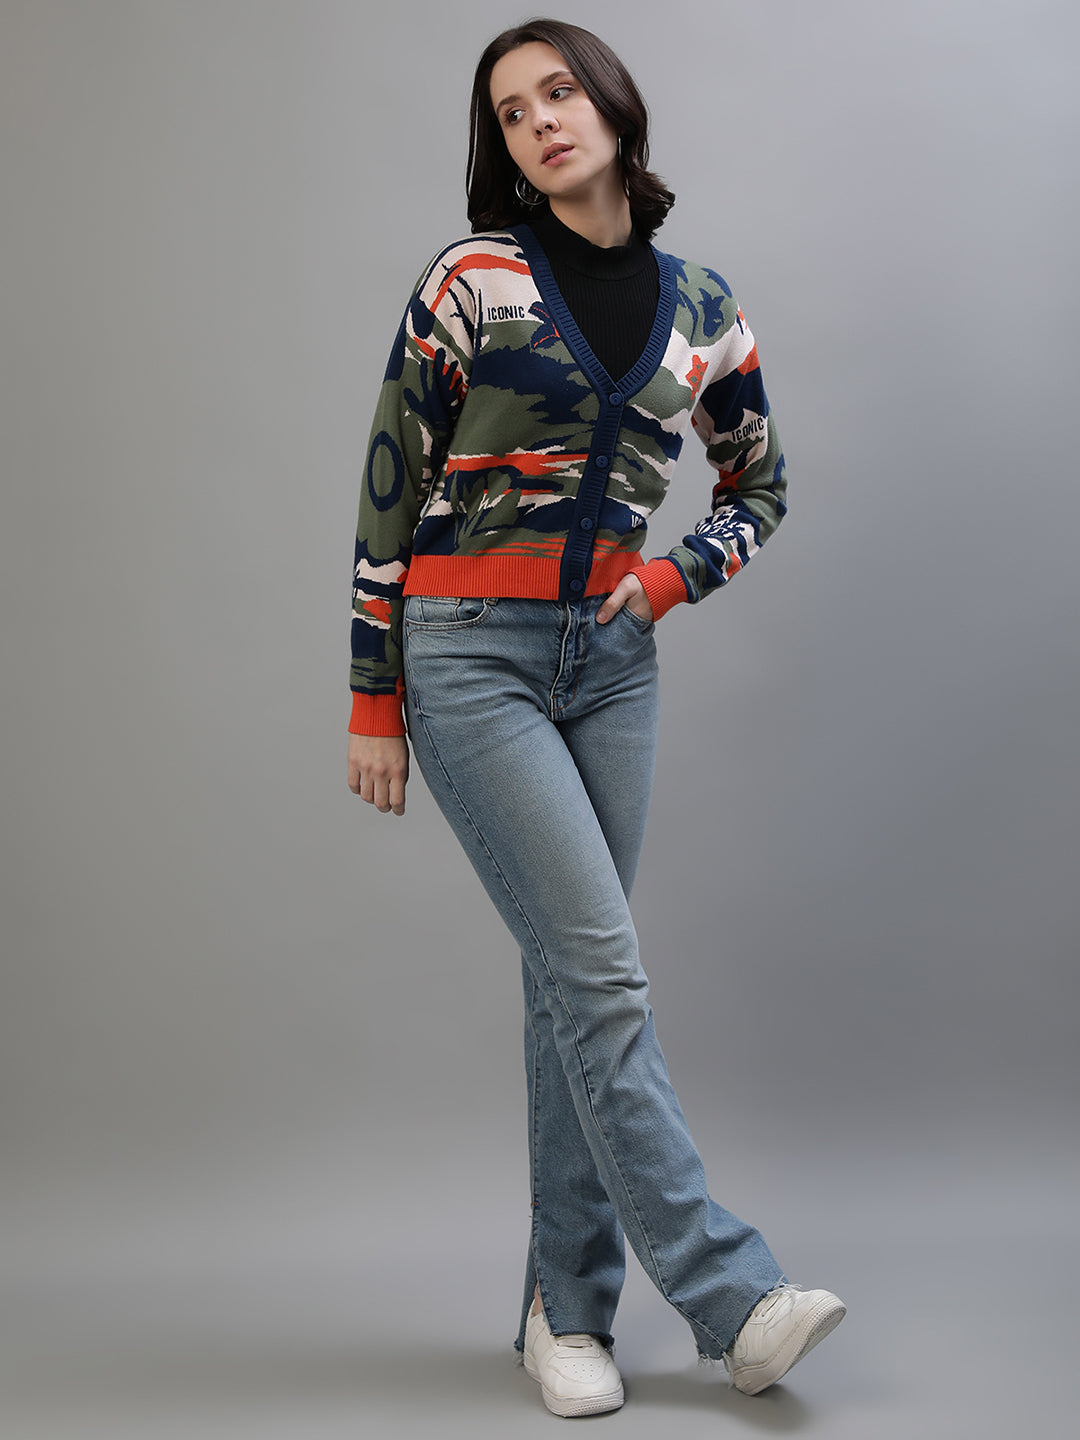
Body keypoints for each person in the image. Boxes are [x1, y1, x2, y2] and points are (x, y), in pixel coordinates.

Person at [346, 17, 844, 1419]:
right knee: (603, 975)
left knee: (572, 983)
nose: (542, 123)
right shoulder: (472, 281)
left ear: (614, 106)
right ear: (502, 150)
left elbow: (760, 486)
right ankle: (732, 1298)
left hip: (614, 666)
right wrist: (372, 692)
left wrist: (673, 581)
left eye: (559, 92)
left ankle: (563, 1313)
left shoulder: (704, 309)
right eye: (512, 114)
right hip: (469, 656)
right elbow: (389, 486)